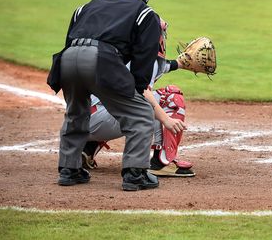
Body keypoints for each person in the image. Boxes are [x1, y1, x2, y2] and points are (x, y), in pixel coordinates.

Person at [47, 0, 165, 191]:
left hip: (67, 59)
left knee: (76, 112)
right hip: (101, 59)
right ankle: (135, 174)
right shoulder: (144, 12)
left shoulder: (86, 7)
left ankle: (69, 170)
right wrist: (138, 86)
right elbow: (145, 53)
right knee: (141, 113)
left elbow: (70, 39)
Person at [81, 18, 195, 178]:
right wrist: (166, 120)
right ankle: (162, 162)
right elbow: (142, 91)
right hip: (103, 121)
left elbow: (156, 68)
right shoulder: (147, 57)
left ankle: (87, 149)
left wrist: (181, 63)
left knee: (117, 99)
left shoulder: (116, 49)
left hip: (80, 120)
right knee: (171, 97)